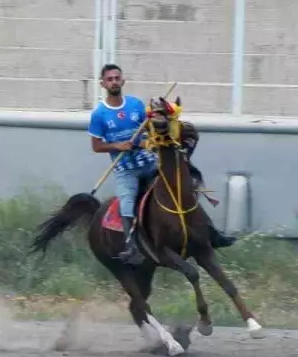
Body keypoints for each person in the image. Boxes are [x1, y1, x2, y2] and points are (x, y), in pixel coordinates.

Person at [88, 64, 235, 264]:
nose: (114, 82)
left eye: (117, 78)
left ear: (123, 81)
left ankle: (212, 233)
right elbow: (96, 146)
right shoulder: (99, 115)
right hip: (126, 170)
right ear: (103, 84)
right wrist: (118, 145)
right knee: (127, 203)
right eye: (109, 79)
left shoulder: (136, 105)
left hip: (149, 162)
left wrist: (151, 129)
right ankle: (132, 247)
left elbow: (148, 130)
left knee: (184, 186)